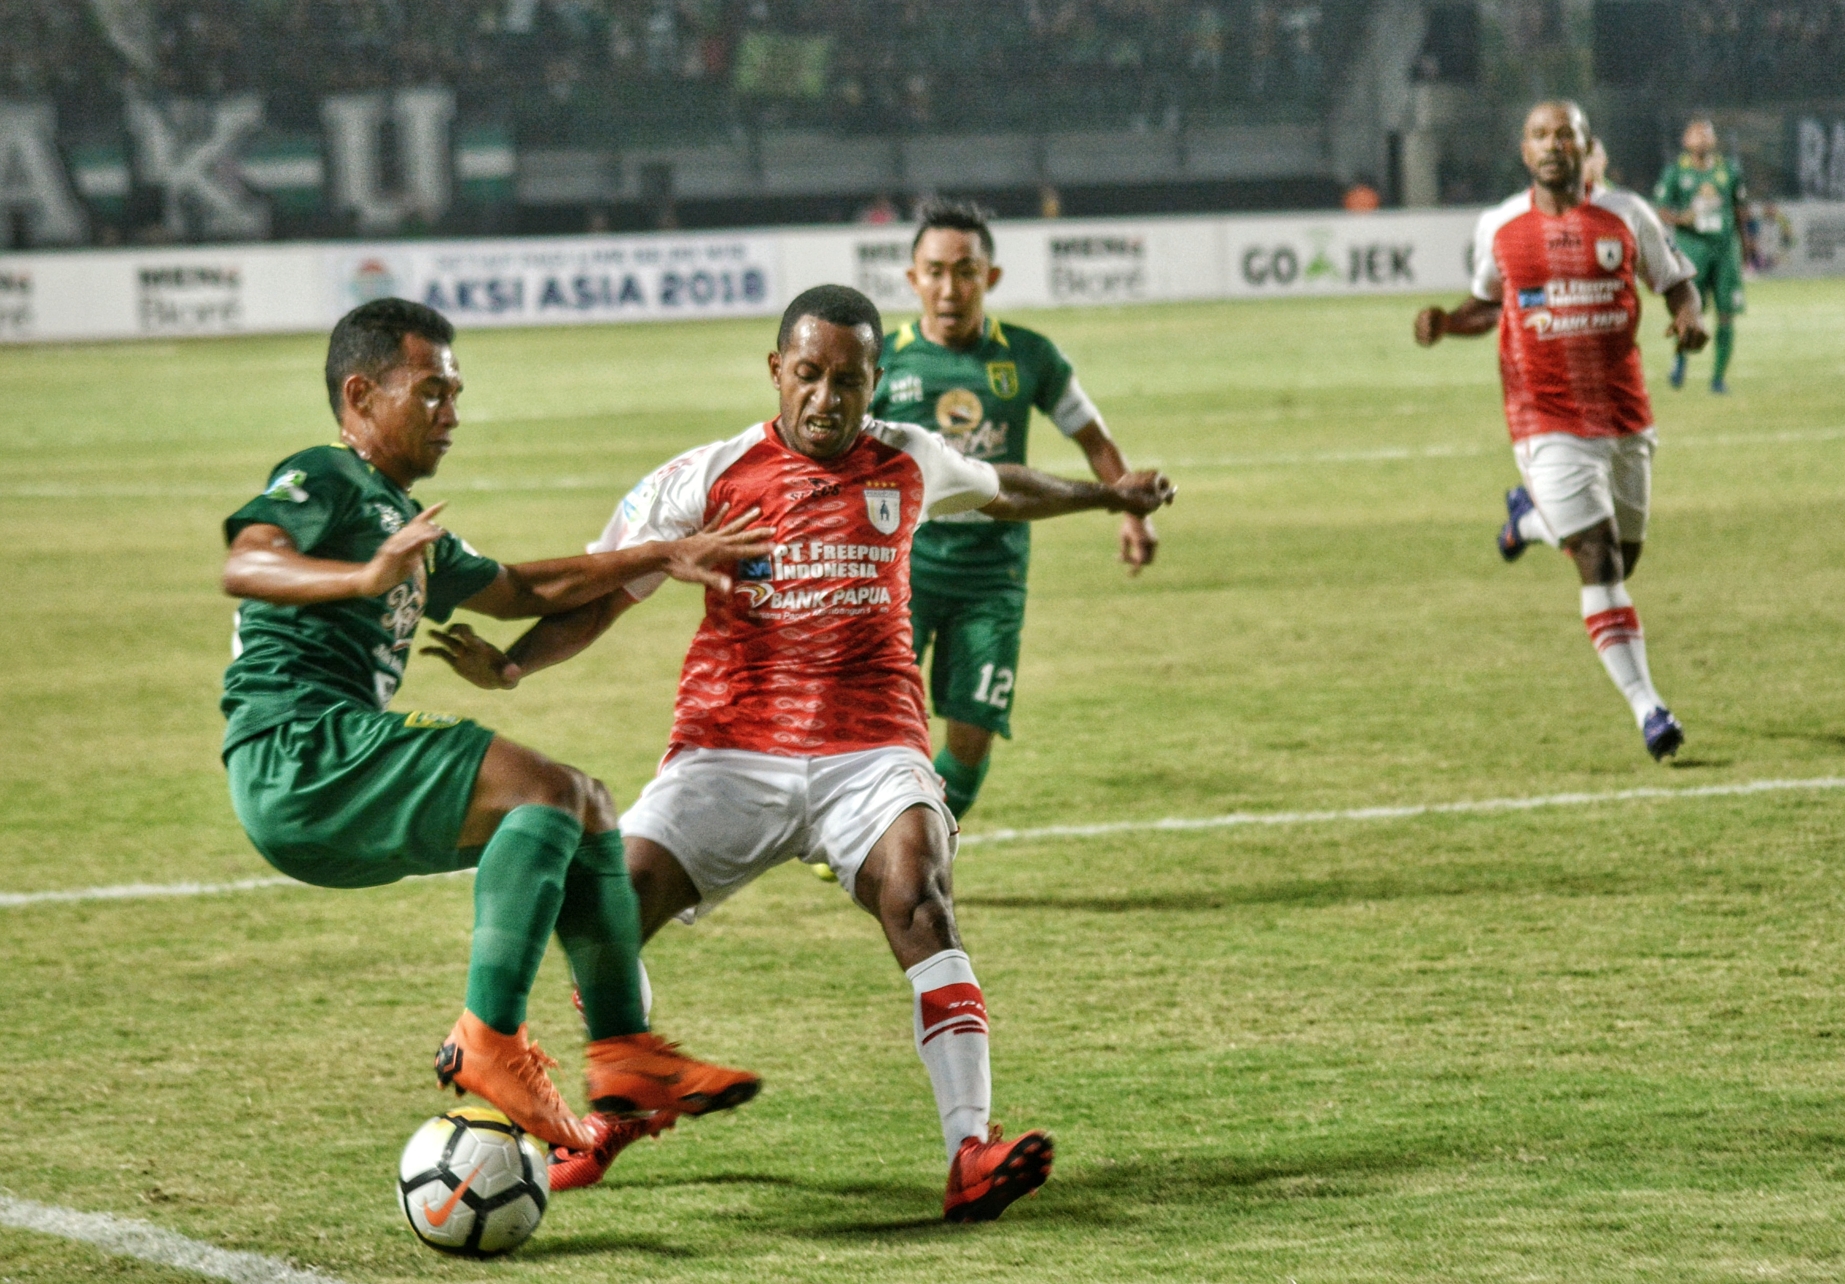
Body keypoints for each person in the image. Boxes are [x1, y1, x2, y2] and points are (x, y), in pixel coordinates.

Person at [422, 284, 1175, 1219]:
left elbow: (1005, 487)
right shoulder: (708, 476)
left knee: (920, 896)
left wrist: (1107, 492)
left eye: (848, 380)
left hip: (872, 749)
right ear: (776, 370)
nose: (826, 397)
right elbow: (607, 590)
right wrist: (515, 666)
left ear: (874, 383)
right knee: (605, 909)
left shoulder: (909, 458)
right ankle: (624, 1105)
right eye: (808, 374)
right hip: (729, 750)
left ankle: (969, 1151)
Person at [220, 298, 770, 1152]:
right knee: (544, 793)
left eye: (456, 394)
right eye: (431, 393)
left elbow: (523, 590)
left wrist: (663, 552)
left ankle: (626, 1055)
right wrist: (363, 579)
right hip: (299, 752)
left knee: (585, 805)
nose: (452, 415)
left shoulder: (402, 519)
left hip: (325, 776)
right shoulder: (326, 478)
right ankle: (488, 1042)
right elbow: (245, 561)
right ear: (361, 396)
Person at [1412, 101, 1706, 762]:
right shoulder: (1501, 225)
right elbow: (1490, 302)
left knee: (1623, 560)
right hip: (1543, 416)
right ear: (1525, 152)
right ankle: (1650, 710)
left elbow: (1677, 282)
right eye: (1540, 136)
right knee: (1599, 560)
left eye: (1564, 135)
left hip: (1625, 413)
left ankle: (1530, 522)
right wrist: (1446, 323)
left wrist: (1687, 320)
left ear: (1585, 147)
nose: (1552, 145)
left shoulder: (1628, 217)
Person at [867, 199, 1161, 823]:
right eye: (936, 271)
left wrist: (1131, 513)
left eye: (966, 271)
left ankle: (898, 839)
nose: (950, 288)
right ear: (912, 278)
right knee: (873, 726)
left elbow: (1093, 439)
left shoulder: (1031, 356)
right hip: (900, 573)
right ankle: (865, 843)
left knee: (969, 744)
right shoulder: (881, 366)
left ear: (990, 279)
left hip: (993, 575)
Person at [1652, 118, 1748, 393]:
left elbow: (1740, 210)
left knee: (1726, 314)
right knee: (1689, 310)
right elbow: (1660, 208)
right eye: (1696, 134)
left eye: (1707, 133)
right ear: (1686, 141)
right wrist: (1682, 218)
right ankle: (1680, 361)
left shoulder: (1728, 170)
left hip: (1725, 251)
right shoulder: (1676, 172)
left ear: (1714, 140)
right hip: (1692, 249)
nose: (1702, 138)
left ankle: (1718, 379)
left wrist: (1745, 247)